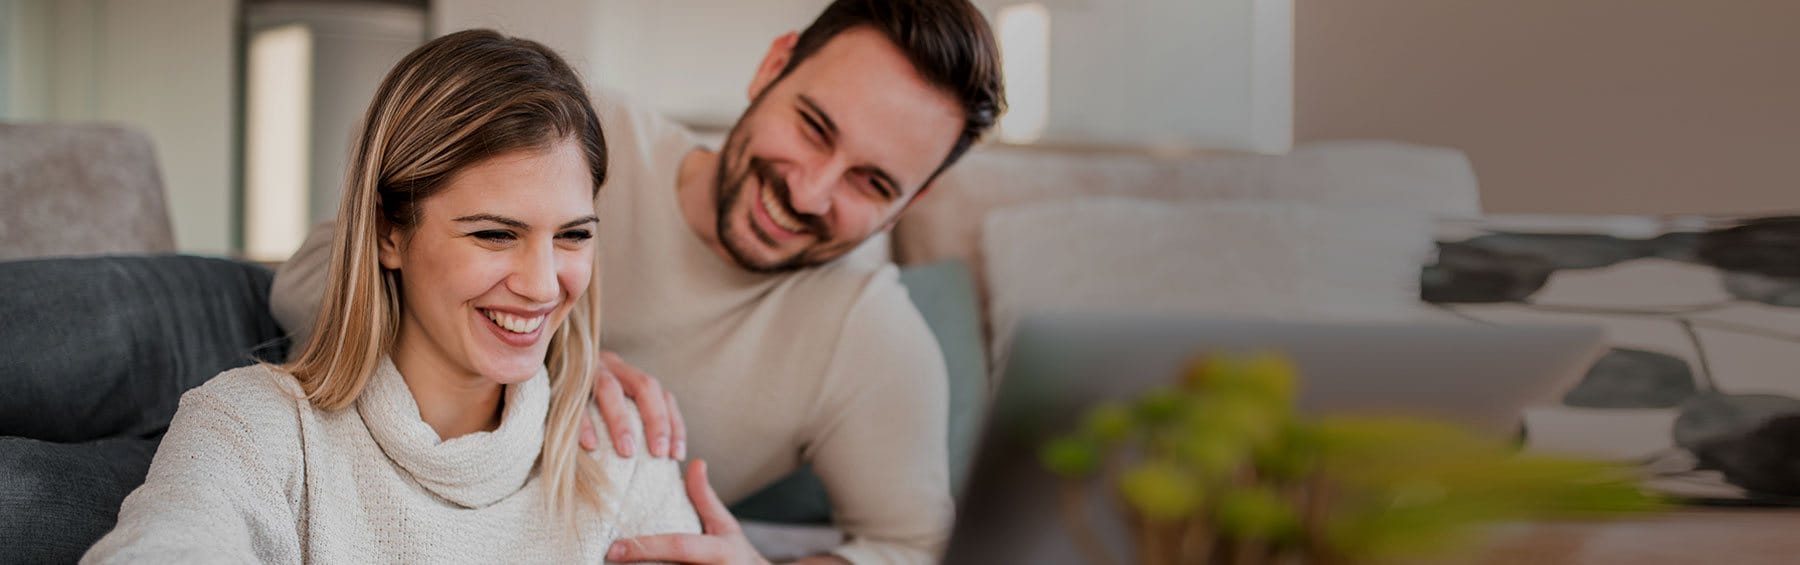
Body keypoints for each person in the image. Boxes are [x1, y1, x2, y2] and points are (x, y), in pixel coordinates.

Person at [272, 1, 1005, 562]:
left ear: (915, 200)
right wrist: (558, 364)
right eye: (814, 127)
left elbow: (915, 550)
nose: (811, 191)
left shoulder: (873, 336)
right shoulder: (583, 138)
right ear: (773, 66)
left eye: (872, 182)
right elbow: (301, 285)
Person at [84, 30, 705, 562]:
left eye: (572, 236)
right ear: (388, 231)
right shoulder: (252, 429)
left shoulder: (624, 459)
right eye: (494, 234)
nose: (543, 285)